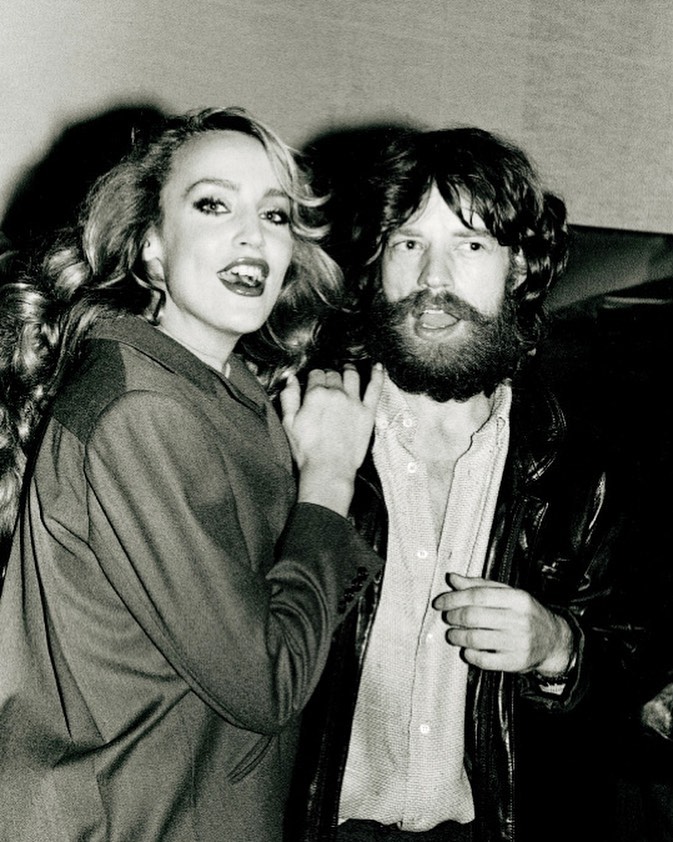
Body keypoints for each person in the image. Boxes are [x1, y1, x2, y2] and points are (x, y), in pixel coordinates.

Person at [0, 106, 384, 841]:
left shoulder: (227, 393)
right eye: (213, 204)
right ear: (150, 247)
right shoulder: (142, 411)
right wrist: (330, 478)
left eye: (275, 214)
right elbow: (267, 681)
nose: (253, 236)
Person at [286, 126, 642, 842]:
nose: (433, 278)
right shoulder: (295, 429)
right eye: (407, 243)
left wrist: (558, 647)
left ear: (518, 267)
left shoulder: (584, 462)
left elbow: (635, 666)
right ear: (375, 265)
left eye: (470, 245)